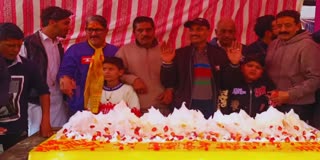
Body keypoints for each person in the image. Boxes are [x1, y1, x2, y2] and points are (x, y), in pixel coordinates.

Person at [160, 18, 242, 119]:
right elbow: (169, 82)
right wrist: (167, 63)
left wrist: (234, 64)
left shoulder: (219, 54)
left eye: (199, 29)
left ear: (208, 32)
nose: (194, 33)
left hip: (211, 106)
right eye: (191, 30)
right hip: (185, 106)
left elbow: (226, 84)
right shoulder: (180, 54)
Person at [20, 6, 72, 136]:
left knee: (58, 137)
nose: (68, 27)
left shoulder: (59, 45)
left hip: (58, 100)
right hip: (36, 102)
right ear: (52, 22)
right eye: (65, 23)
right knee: (36, 139)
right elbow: (20, 73)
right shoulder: (28, 44)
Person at [0, 23, 52, 150]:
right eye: (10, 45)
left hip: (17, 129)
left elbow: (44, 91)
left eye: (19, 45)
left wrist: (45, 120)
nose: (15, 49)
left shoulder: (28, 66)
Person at [265, 10, 320, 123]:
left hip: (299, 107)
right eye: (279, 26)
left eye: (288, 25)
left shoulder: (308, 46)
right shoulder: (273, 44)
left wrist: (289, 95)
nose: (283, 29)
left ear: (298, 26)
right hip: (274, 104)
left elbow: (315, 79)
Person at [58, 15, 118, 115]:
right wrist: (64, 78)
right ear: (85, 31)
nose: (94, 34)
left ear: (106, 31)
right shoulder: (75, 50)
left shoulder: (114, 51)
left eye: (98, 30)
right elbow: (65, 71)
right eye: (90, 30)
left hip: (108, 105)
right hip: (79, 105)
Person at [115, 16, 172, 116]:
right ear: (134, 32)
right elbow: (115, 74)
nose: (145, 33)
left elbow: (176, 74)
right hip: (134, 108)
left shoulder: (165, 49)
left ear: (154, 30)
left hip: (162, 107)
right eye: (140, 30)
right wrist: (133, 80)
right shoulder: (124, 51)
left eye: (148, 30)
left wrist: (170, 90)